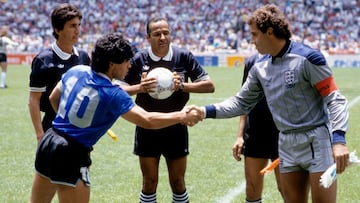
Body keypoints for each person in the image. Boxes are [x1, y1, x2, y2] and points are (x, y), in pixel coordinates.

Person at [190, 4, 350, 203]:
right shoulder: (259, 67)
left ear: (270, 32)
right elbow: (241, 102)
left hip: (317, 140)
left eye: (255, 34)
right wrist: (205, 111)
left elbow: (335, 99)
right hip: (286, 142)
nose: (252, 40)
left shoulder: (308, 58)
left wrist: (339, 140)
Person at [29, 33, 201, 203]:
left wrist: (70, 121)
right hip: (71, 153)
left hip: (49, 140)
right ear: (112, 64)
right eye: (126, 61)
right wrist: (181, 115)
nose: (129, 66)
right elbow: (147, 120)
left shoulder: (77, 70)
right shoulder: (113, 94)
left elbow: (54, 97)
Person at [120, 17, 215, 203]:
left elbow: (209, 86)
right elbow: (117, 89)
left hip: (176, 125)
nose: (162, 37)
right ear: (148, 37)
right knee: (149, 182)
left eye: (166, 33)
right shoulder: (139, 59)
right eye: (157, 34)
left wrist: (182, 86)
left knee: (178, 182)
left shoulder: (183, 56)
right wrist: (139, 87)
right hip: (147, 126)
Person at [28, 3, 90, 143]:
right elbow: (34, 99)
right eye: (72, 26)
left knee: (80, 165)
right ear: (58, 29)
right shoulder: (43, 60)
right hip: (51, 126)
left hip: (79, 127)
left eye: (79, 25)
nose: (78, 30)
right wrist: (39, 134)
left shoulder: (84, 57)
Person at [232, 53, 282, 203]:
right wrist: (240, 135)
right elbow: (244, 100)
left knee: (288, 189)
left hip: (284, 133)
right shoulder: (252, 61)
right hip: (255, 131)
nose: (253, 39)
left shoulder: (292, 58)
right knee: (252, 189)